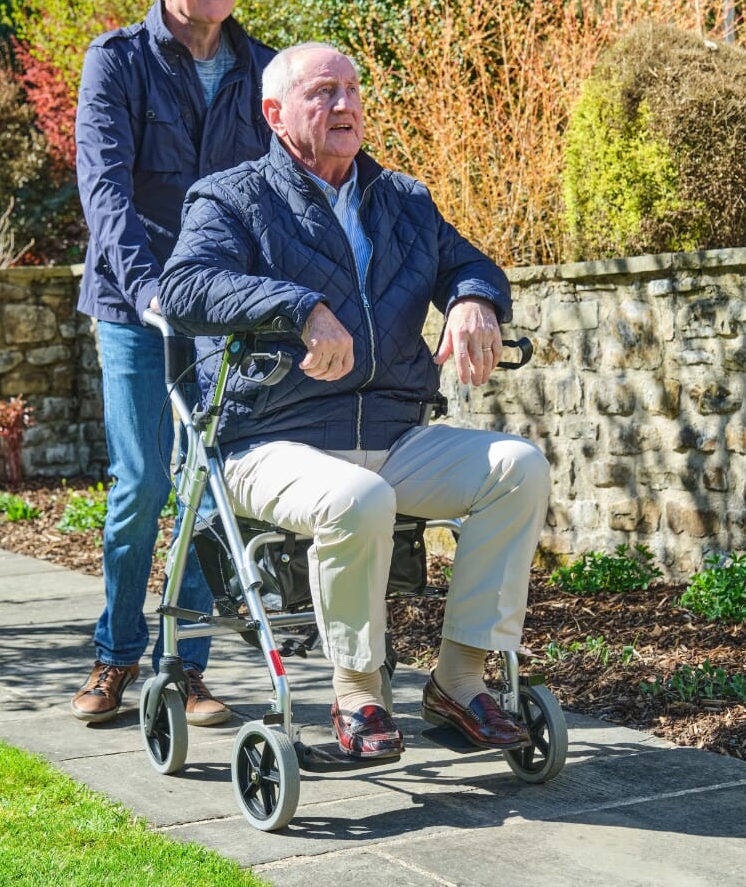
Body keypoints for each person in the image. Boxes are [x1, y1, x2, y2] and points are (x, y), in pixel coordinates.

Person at [157, 42, 551, 758]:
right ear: (275, 115)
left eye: (351, 90)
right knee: (357, 498)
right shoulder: (229, 197)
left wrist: (473, 299)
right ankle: (358, 693)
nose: (344, 105)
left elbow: (470, 263)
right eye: (323, 93)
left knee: (518, 466)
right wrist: (297, 306)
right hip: (268, 439)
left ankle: (459, 681)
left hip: (395, 433)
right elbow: (184, 289)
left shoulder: (403, 198)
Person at [70, 0, 275, 726]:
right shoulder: (115, 62)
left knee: (209, 486)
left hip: (222, 311)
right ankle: (115, 656)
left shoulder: (262, 67)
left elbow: (276, 189)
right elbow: (105, 190)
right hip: (134, 306)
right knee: (145, 485)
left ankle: (187, 668)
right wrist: (150, 290)